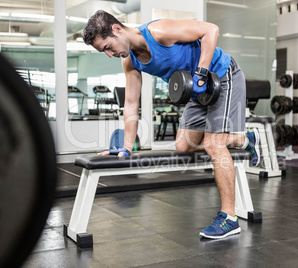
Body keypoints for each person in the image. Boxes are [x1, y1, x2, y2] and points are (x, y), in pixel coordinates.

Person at [82, 10, 260, 240]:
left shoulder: (159, 32)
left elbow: (210, 30)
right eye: (103, 51)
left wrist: (201, 73)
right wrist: (127, 147)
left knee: (215, 145)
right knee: (183, 146)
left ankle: (230, 218)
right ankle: (245, 139)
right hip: (197, 91)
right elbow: (131, 103)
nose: (109, 54)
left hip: (222, 75)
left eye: (107, 47)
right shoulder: (130, 61)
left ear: (116, 30)